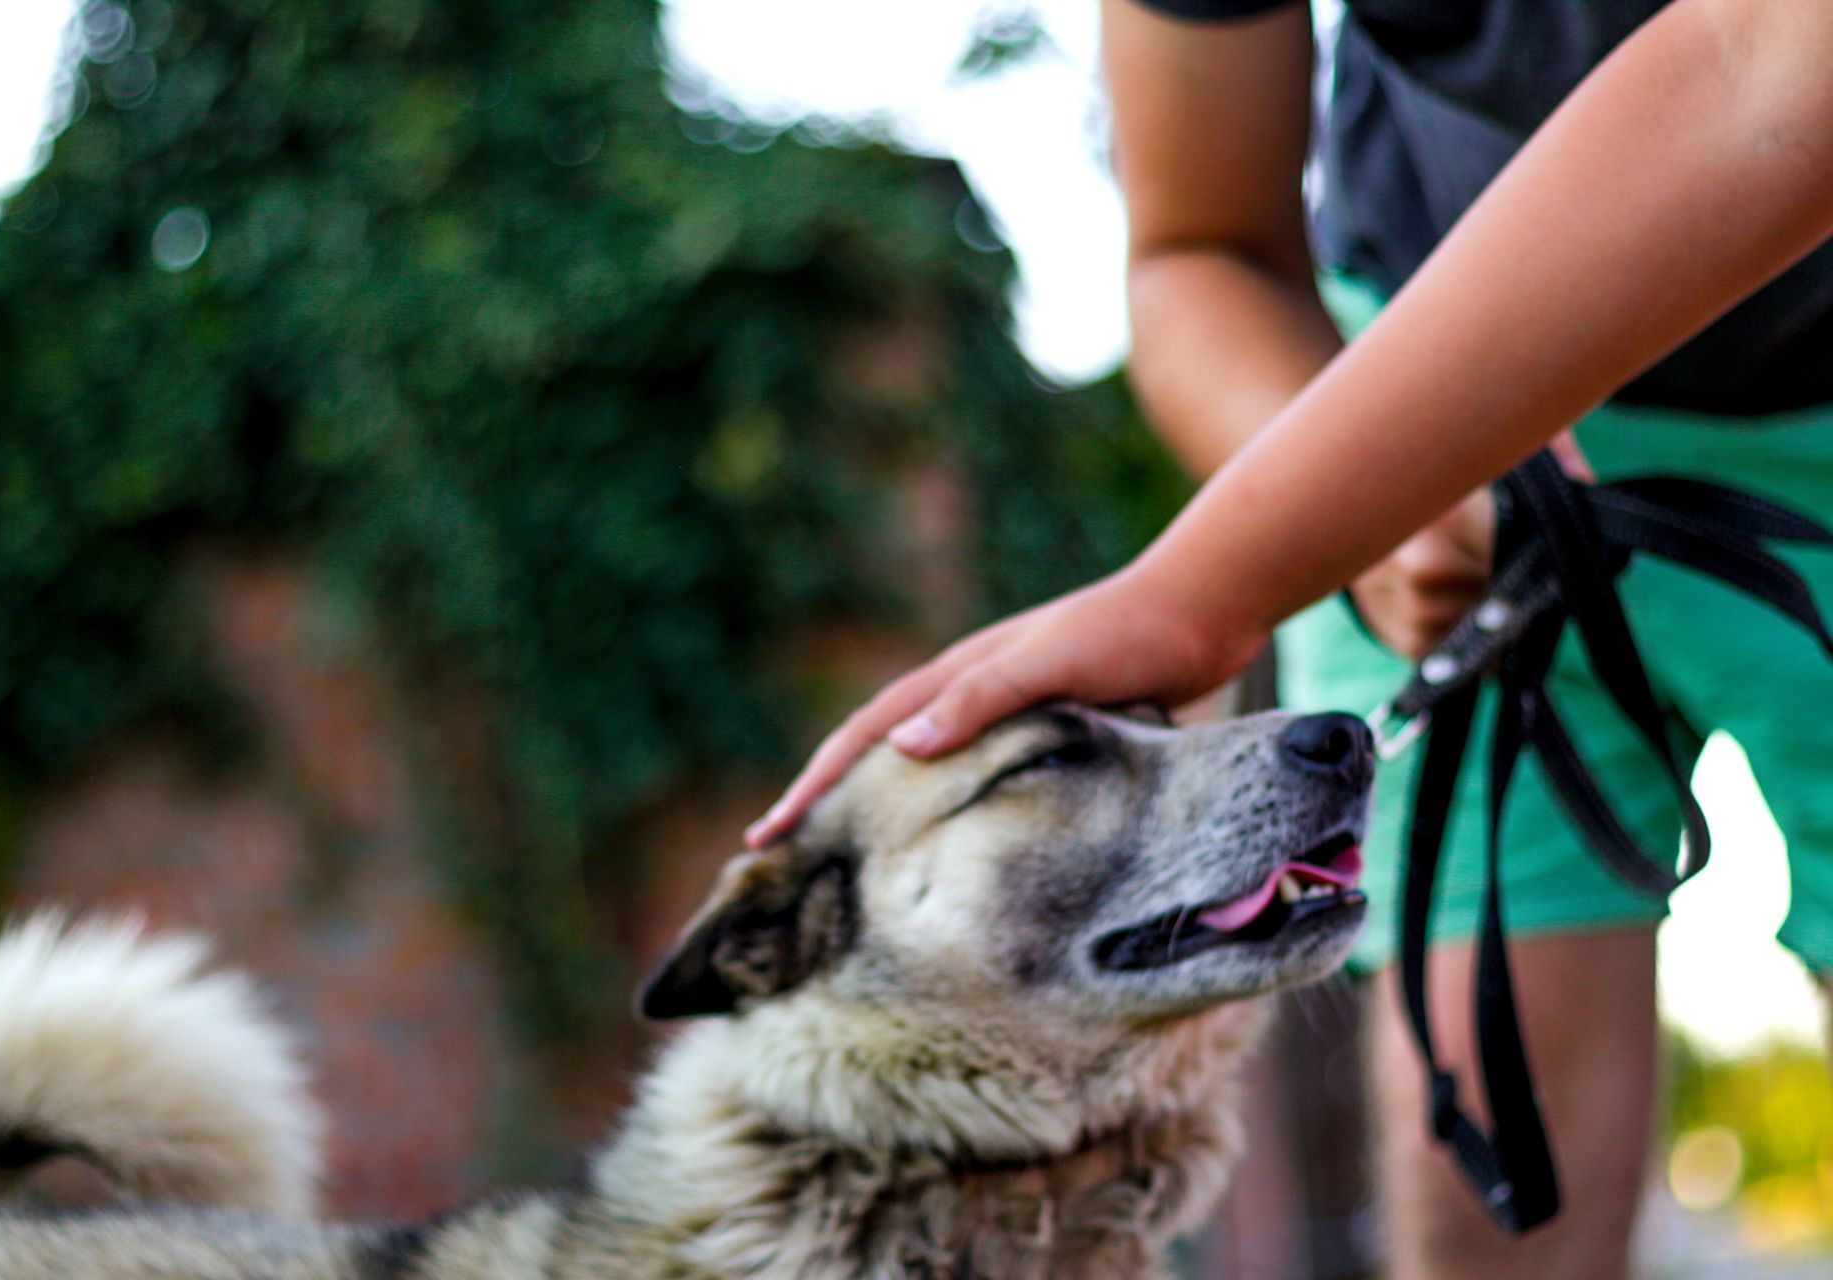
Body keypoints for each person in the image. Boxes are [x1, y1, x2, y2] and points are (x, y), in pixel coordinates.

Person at [746, 2, 1833, 1275]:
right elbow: (1199, 247)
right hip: (1419, 405)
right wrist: (1373, 513)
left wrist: (1204, 584)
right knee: (1486, 1199)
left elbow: (1774, 62)